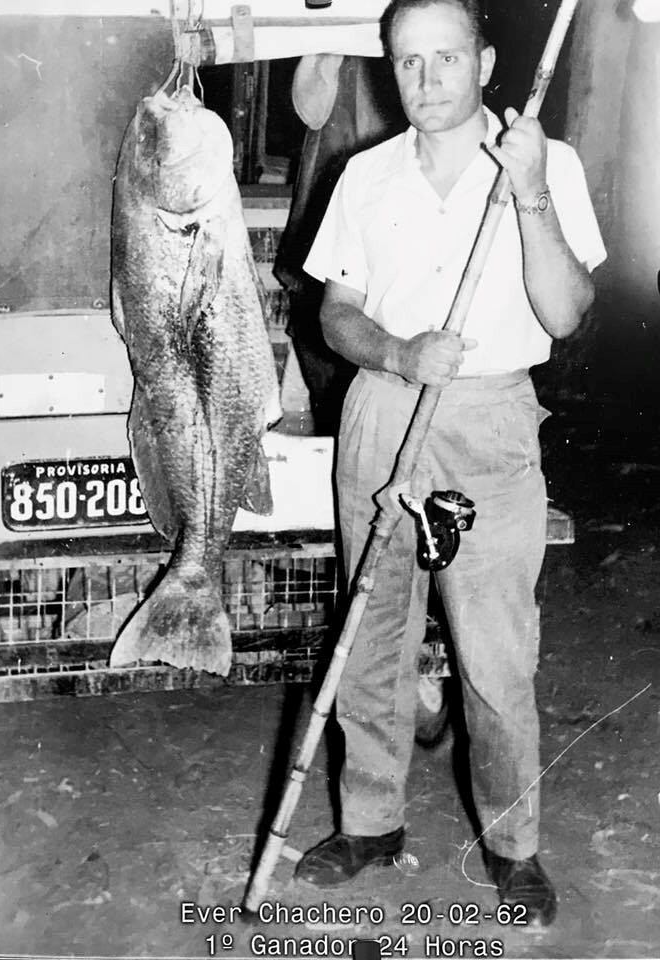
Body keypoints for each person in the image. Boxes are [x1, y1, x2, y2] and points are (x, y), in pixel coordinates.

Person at [294, 0, 606, 929]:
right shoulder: (365, 175)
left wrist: (532, 193)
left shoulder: (540, 161)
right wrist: (394, 353)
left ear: (487, 61)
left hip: (490, 421)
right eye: (407, 62)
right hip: (384, 413)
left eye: (446, 58)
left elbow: (566, 314)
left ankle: (513, 845)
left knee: (496, 656)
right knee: (372, 640)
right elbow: (335, 314)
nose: (426, 81)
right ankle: (371, 823)